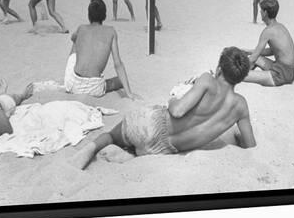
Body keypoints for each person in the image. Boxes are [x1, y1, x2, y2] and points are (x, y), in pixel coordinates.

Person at [69, 46, 256, 170]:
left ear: (219, 69)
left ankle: (88, 151)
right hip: (164, 149)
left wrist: (173, 98)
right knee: (137, 146)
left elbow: (177, 111)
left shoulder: (208, 80)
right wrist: (237, 137)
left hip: (152, 125)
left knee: (111, 135)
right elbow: (250, 145)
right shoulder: (241, 106)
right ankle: (132, 154)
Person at [64, 0, 139, 100]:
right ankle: (111, 86)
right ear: (104, 15)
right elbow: (118, 64)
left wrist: (76, 39)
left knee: (75, 42)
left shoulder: (81, 28)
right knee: (119, 81)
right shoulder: (111, 31)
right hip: (95, 88)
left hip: (73, 84)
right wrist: (129, 93)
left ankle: (75, 75)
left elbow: (73, 38)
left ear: (89, 15)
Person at [242, 0, 294, 86]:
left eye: (261, 10)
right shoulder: (280, 27)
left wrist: (237, 70)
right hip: (289, 71)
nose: (260, 12)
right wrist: (249, 51)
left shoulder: (268, 31)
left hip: (280, 75)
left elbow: (253, 58)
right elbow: (273, 50)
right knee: (257, 58)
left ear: (265, 13)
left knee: (236, 75)